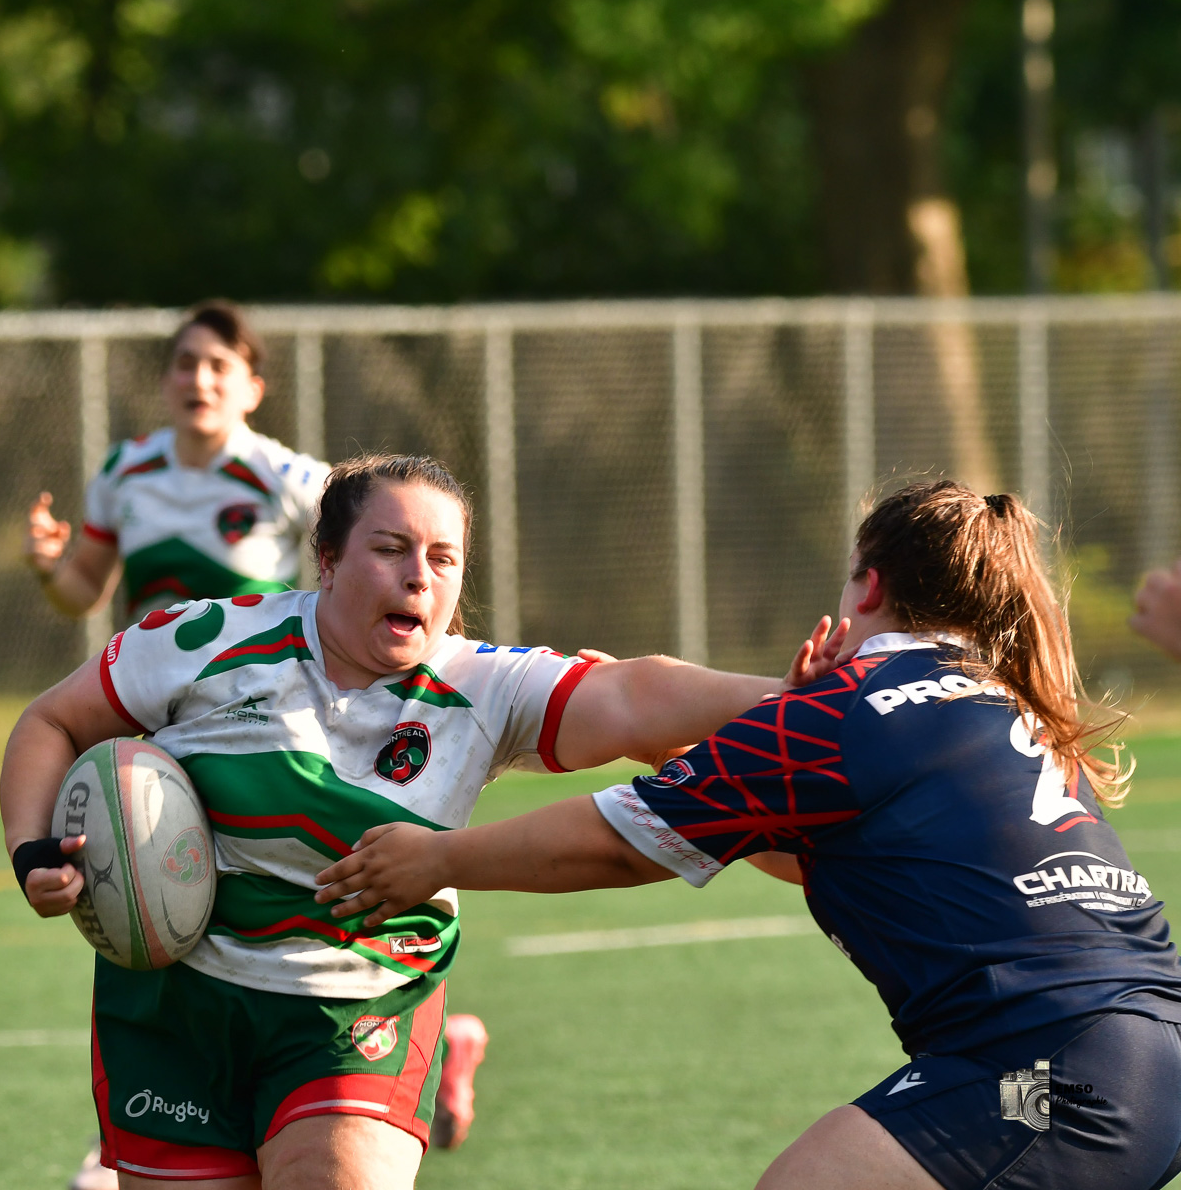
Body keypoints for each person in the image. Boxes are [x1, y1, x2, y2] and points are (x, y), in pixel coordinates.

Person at [1, 453, 845, 1189]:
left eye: (444, 559)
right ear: (327, 561)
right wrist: (33, 852)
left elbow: (631, 692)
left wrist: (782, 697)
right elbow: (52, 722)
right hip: (174, 1011)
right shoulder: (204, 641)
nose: (421, 577)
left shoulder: (479, 686)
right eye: (391, 549)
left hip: (356, 1010)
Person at [316, 481, 1181, 1190]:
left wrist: (434, 857)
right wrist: (710, 759)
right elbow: (827, 854)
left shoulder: (839, 712)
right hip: (1141, 1064)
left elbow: (616, 844)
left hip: (1043, 1080)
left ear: (868, 587)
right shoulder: (1000, 704)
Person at [24, 300, 327, 623]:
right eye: (186, 364)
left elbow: (359, 569)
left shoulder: (291, 478)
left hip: (261, 676)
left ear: (253, 391)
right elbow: (84, 589)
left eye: (219, 366)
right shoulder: (122, 470)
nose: (199, 380)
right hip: (146, 675)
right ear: (165, 382)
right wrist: (52, 567)